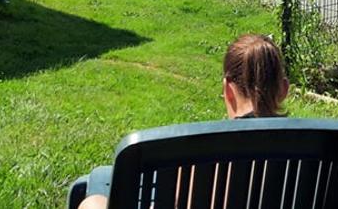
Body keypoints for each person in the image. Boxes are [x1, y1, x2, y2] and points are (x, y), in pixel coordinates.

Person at [78, 34, 292, 209]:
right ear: (283, 89)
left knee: (92, 202)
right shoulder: (307, 148)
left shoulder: (199, 154)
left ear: (227, 89)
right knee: (99, 179)